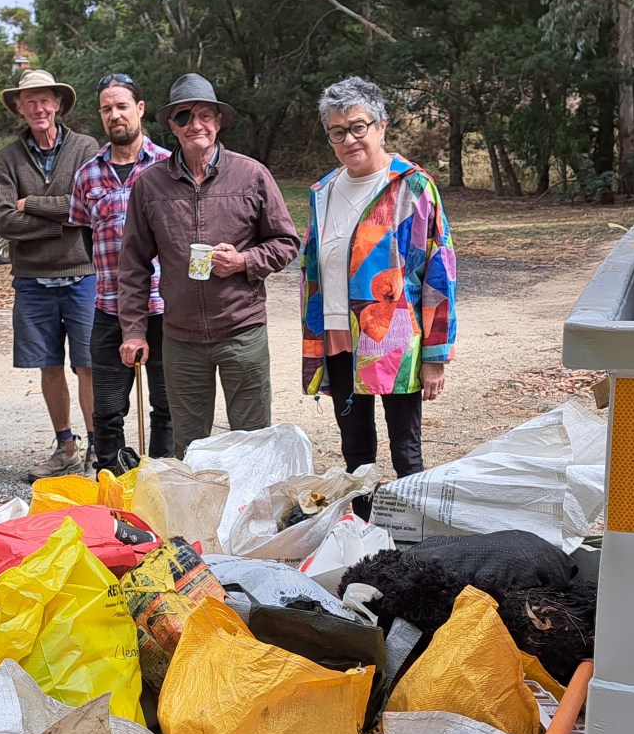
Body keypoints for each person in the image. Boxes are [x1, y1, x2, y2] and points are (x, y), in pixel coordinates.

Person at [117, 73, 300, 457]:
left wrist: (244, 261)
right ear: (171, 126)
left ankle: (250, 514)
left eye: (204, 115)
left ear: (217, 121)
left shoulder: (252, 175)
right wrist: (134, 331)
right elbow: (133, 265)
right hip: (180, 339)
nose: (195, 124)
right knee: (190, 446)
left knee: (253, 442)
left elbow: (286, 242)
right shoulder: (149, 186)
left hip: (242, 331)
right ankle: (199, 517)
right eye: (184, 117)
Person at [301, 76, 456, 480]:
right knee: (355, 451)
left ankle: (413, 537)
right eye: (337, 132)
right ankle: (364, 534)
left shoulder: (413, 186)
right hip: (337, 338)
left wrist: (436, 356)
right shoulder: (324, 191)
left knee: (406, 451)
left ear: (381, 125)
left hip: (393, 339)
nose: (349, 139)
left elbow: (440, 274)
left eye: (358, 127)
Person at [0, 69, 101, 479]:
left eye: (45, 100)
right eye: (29, 101)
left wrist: (31, 204)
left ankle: (97, 445)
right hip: (32, 278)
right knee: (48, 365)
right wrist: (63, 219)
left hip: (82, 273)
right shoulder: (8, 156)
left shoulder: (86, 147)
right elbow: (3, 221)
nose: (38, 108)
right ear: (20, 108)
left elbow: (89, 206)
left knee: (89, 364)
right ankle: (65, 445)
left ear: (57, 104)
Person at [70, 73, 172, 473]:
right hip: (109, 308)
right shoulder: (87, 175)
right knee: (108, 408)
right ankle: (111, 482)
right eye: (107, 108)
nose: (115, 115)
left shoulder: (167, 165)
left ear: (140, 109)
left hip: (165, 307)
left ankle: (164, 479)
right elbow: (84, 234)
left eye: (122, 106)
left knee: (166, 404)